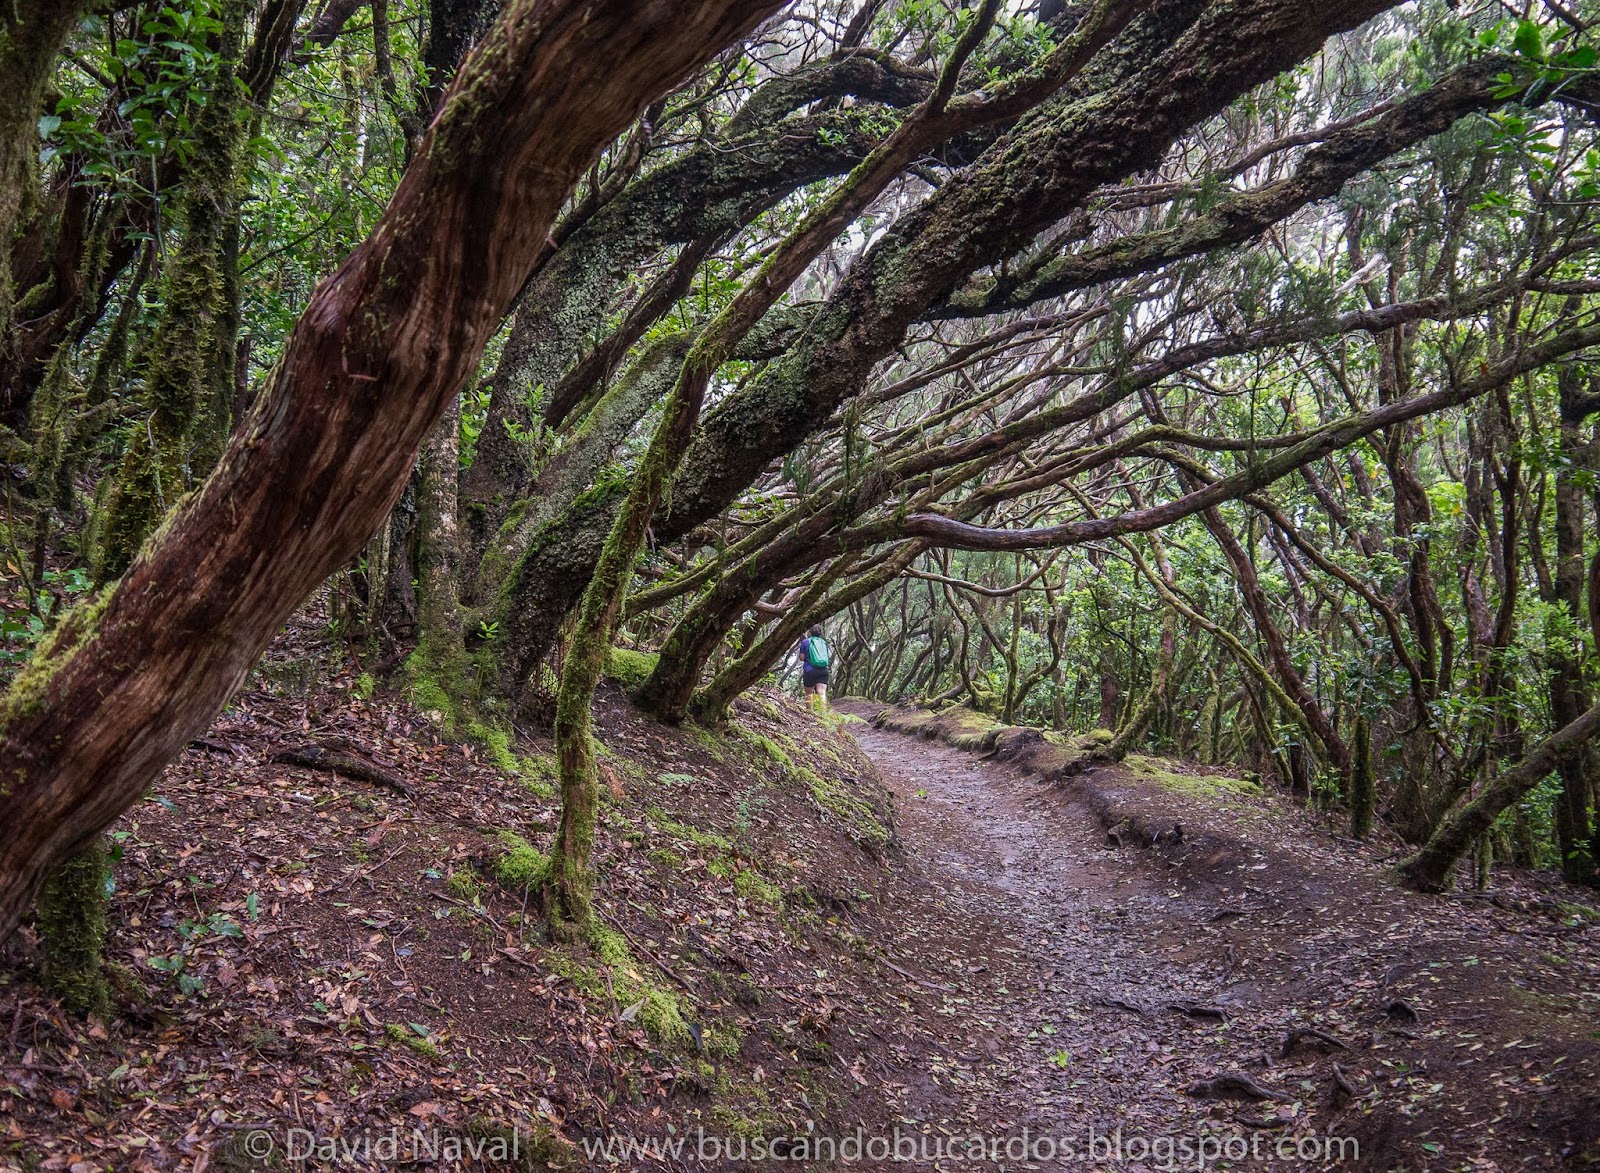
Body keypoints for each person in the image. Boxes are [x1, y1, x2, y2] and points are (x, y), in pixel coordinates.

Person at [795, 624, 831, 711]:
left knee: (809, 693)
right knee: (822, 693)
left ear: (810, 632)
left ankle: (809, 713)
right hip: (824, 670)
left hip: (810, 670)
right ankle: (823, 715)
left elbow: (802, 657)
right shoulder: (824, 643)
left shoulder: (806, 642)